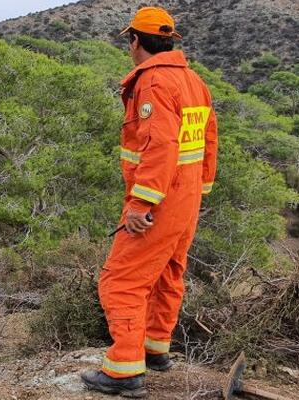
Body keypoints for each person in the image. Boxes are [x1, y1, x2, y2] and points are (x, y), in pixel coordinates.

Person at [80, 7, 218, 398]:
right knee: (168, 271)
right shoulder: (193, 80)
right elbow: (209, 139)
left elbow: (159, 146)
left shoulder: (154, 82)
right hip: (186, 197)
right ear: (170, 42)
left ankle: (124, 370)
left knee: (121, 280)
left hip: (161, 199)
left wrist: (142, 202)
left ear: (135, 40)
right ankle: (155, 348)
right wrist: (200, 189)